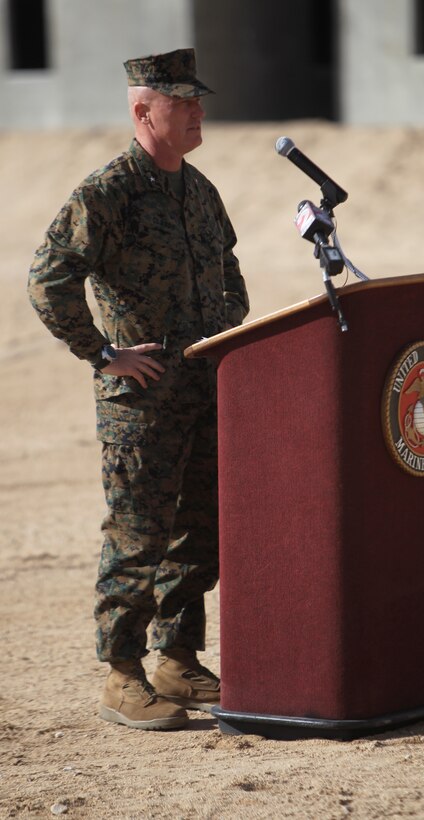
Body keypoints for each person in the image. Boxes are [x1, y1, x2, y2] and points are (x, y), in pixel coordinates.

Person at [28, 49, 250, 731]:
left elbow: (229, 271)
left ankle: (176, 659)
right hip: (143, 404)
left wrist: (230, 333)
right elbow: (49, 279)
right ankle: (121, 676)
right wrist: (104, 354)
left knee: (198, 528)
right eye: (181, 102)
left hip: (205, 390)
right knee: (138, 533)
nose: (196, 112)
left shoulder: (199, 190)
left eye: (196, 100)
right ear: (142, 110)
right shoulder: (109, 192)